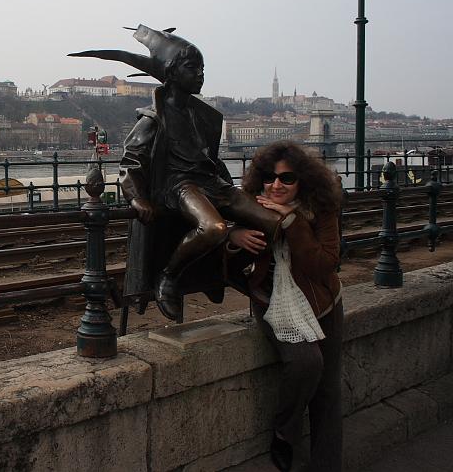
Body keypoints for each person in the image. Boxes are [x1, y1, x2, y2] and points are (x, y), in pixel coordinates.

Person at [69, 25, 285, 320]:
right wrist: (137, 198)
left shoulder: (202, 116)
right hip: (179, 186)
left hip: (212, 183)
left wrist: (231, 190)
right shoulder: (153, 118)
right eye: (191, 68)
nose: (200, 74)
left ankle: (229, 269)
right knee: (214, 228)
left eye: (202, 68)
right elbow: (131, 161)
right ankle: (168, 277)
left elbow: (210, 159)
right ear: (171, 72)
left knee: (277, 223)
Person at [227, 140, 343, 472]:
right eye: (269, 177)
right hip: (271, 300)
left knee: (327, 394)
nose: (276, 185)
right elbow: (223, 254)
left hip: (323, 301)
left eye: (286, 178)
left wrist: (292, 222)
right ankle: (284, 433)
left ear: (302, 181)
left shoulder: (320, 209)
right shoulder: (250, 207)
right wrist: (233, 238)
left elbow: (324, 264)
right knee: (306, 362)